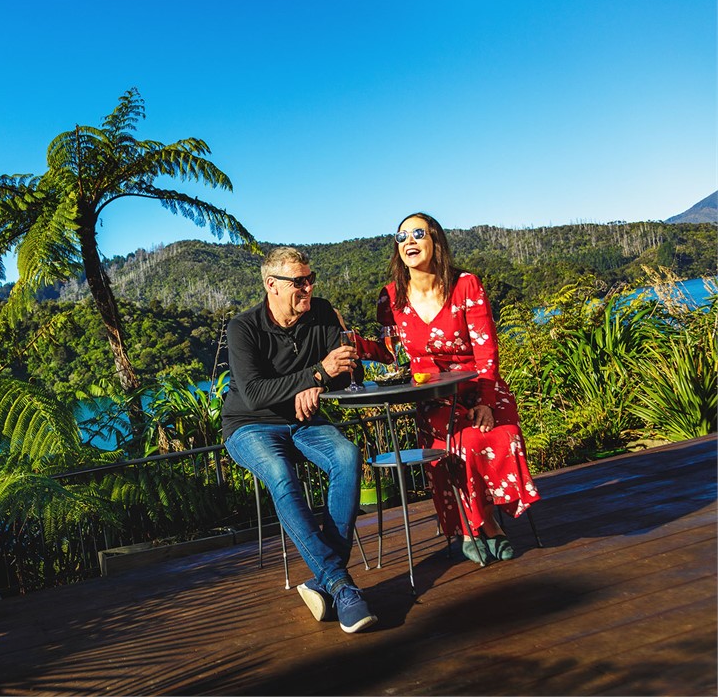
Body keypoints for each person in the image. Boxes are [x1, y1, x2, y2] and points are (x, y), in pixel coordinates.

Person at [222, 246, 382, 633]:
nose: (308, 287)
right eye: (300, 282)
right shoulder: (243, 328)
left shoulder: (323, 313)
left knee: (347, 455)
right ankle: (341, 585)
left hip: (305, 419)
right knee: (280, 473)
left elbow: (343, 373)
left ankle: (325, 580)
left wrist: (321, 379)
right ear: (271, 285)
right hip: (249, 425)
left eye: (311, 279)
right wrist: (314, 376)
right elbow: (257, 394)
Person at [376, 212, 540, 566]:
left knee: (496, 436)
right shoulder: (391, 297)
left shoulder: (466, 285)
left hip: (479, 385)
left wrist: (485, 401)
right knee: (456, 445)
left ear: (436, 240)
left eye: (418, 233)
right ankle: (472, 528)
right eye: (401, 236)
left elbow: (486, 348)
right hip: (433, 396)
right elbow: (387, 350)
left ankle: (488, 522)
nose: (409, 241)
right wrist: (347, 343)